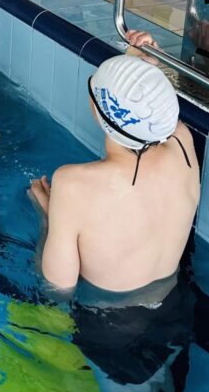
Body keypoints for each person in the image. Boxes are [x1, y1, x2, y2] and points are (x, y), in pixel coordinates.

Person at [27, 46, 199, 299]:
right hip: (175, 304)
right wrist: (134, 69)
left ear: (100, 109)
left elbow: (58, 288)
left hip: (107, 326)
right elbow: (145, 111)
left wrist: (47, 216)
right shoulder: (182, 140)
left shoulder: (73, 183)